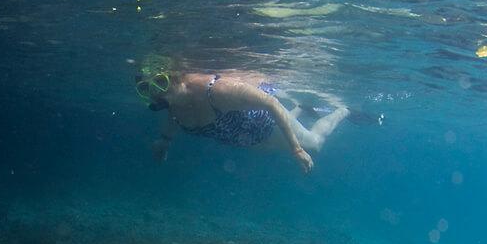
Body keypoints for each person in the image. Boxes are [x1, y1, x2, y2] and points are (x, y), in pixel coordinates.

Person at [135, 66, 348, 173]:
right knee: (272, 146)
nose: (155, 93)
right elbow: (174, 118)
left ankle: (342, 111)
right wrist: (164, 141)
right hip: (247, 140)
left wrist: (297, 149)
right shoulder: (173, 103)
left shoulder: (215, 90)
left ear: (177, 77)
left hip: (266, 123)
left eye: (160, 83)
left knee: (315, 143)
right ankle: (299, 109)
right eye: (145, 88)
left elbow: (270, 104)